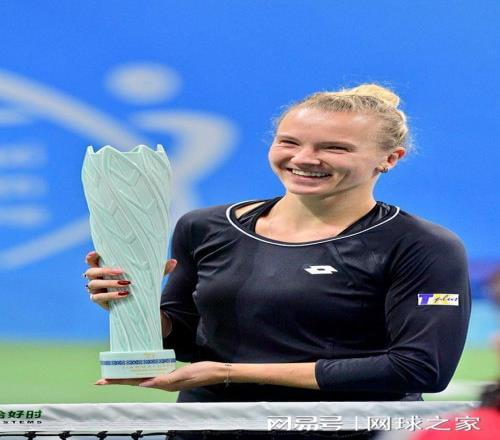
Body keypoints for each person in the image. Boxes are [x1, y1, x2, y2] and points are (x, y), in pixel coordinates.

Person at [84, 84, 471, 405]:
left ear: (390, 158)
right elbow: (185, 338)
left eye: (334, 148)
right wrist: (133, 306)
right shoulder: (204, 227)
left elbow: (420, 368)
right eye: (289, 142)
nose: (304, 158)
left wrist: (230, 373)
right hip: (209, 429)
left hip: (350, 431)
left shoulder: (422, 245)